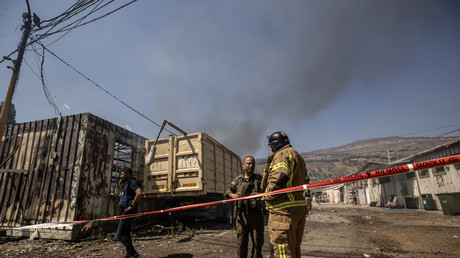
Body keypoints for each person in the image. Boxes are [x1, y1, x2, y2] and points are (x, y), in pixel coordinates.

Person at [263, 131, 309, 258]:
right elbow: (306, 179)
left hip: (283, 212)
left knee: (283, 251)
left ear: (275, 144)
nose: (271, 149)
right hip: (297, 210)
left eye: (271, 146)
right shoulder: (297, 156)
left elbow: (279, 178)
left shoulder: (281, 154)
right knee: (293, 249)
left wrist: (267, 197)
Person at [226, 156, 265, 258]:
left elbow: (267, 191)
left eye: (252, 163)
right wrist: (233, 195)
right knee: (242, 243)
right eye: (248, 163)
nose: (250, 165)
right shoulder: (237, 180)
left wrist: (261, 195)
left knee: (258, 243)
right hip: (242, 216)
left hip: (256, 215)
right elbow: (228, 191)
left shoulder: (259, 179)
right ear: (243, 165)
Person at [116, 167, 143, 258]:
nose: (121, 176)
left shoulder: (133, 182)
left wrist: (132, 206)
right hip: (124, 210)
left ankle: (134, 253)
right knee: (126, 234)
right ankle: (129, 253)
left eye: (122, 174)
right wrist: (121, 186)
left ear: (128, 173)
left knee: (119, 235)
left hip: (128, 212)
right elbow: (126, 195)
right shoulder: (127, 183)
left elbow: (139, 193)